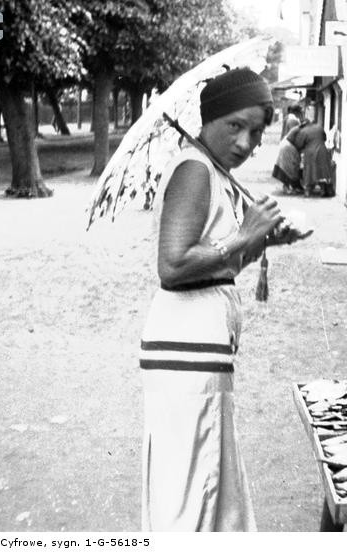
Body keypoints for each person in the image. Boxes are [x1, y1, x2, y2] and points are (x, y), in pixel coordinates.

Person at [139, 68, 311, 531]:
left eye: (255, 131)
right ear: (208, 116)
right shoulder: (195, 169)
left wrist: (266, 241)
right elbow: (172, 265)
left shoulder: (211, 170)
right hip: (186, 350)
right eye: (234, 125)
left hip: (198, 346)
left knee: (204, 480)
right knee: (194, 487)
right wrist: (243, 235)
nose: (245, 142)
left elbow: (217, 264)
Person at [291, 120, 333, 197]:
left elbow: (299, 144)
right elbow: (325, 138)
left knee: (309, 171)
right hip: (322, 151)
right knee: (322, 171)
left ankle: (307, 191)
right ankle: (323, 190)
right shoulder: (319, 127)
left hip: (310, 153)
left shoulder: (303, 131)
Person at [272, 121, 304, 194]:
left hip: (286, 146)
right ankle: (287, 188)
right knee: (289, 169)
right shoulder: (300, 130)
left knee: (286, 167)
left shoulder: (297, 128)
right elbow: (300, 143)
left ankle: (288, 187)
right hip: (288, 148)